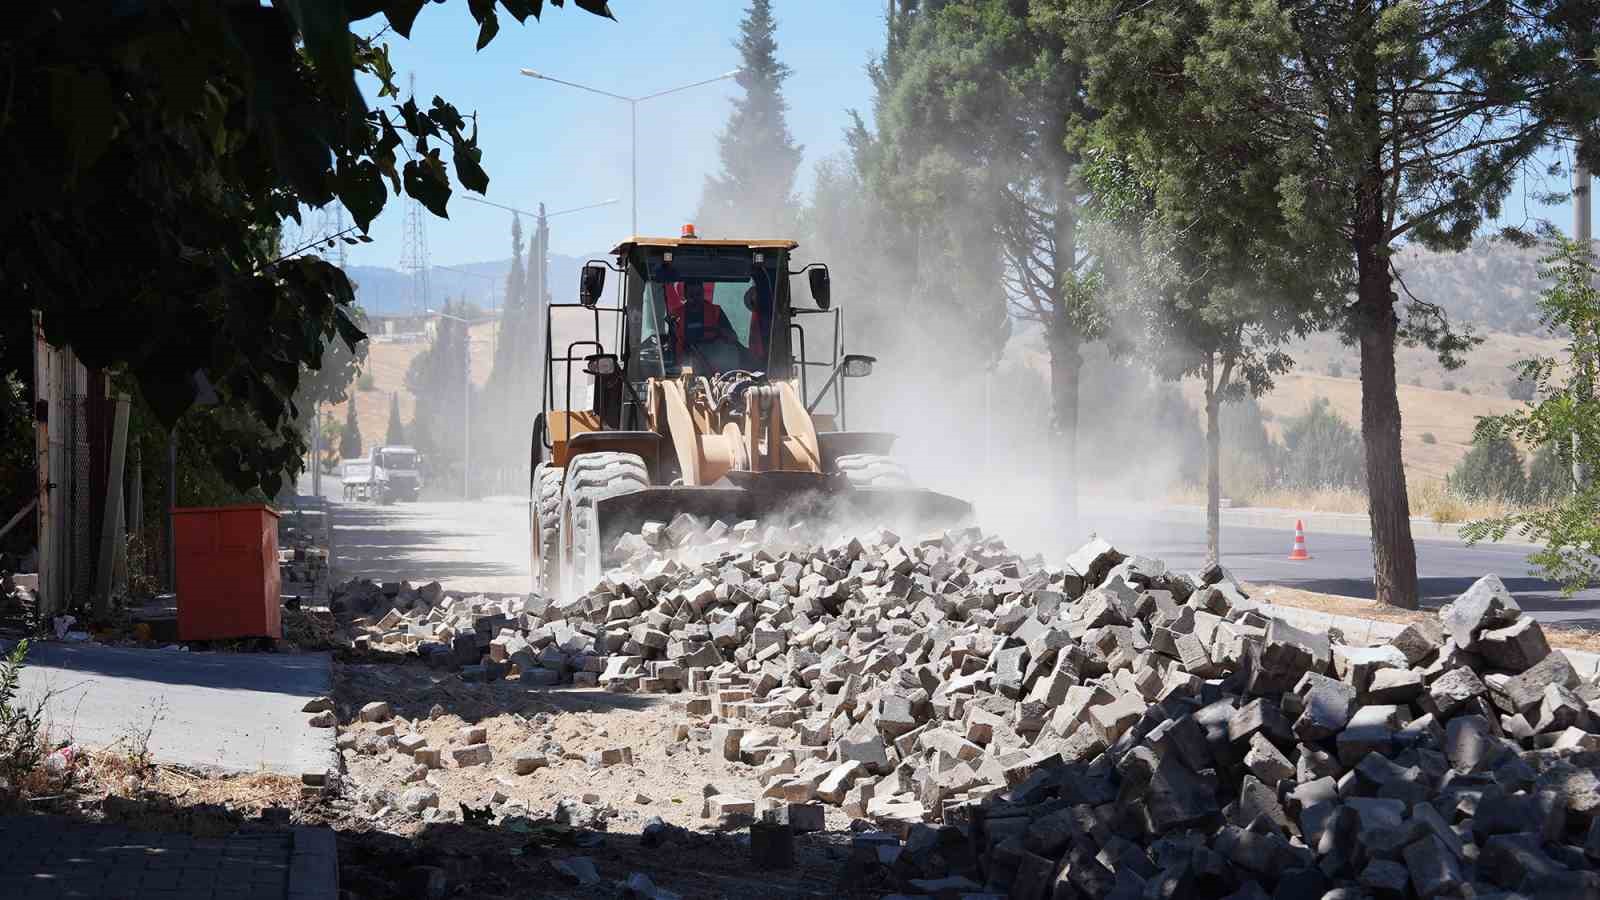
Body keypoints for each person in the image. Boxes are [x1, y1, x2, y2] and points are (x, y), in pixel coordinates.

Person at [665, 280, 748, 373]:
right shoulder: (676, 315)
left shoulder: (715, 311)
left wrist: (718, 330)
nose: (696, 298)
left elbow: (732, 337)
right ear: (685, 295)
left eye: (698, 294)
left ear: (703, 293)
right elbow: (671, 346)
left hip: (715, 366)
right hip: (685, 367)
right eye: (692, 295)